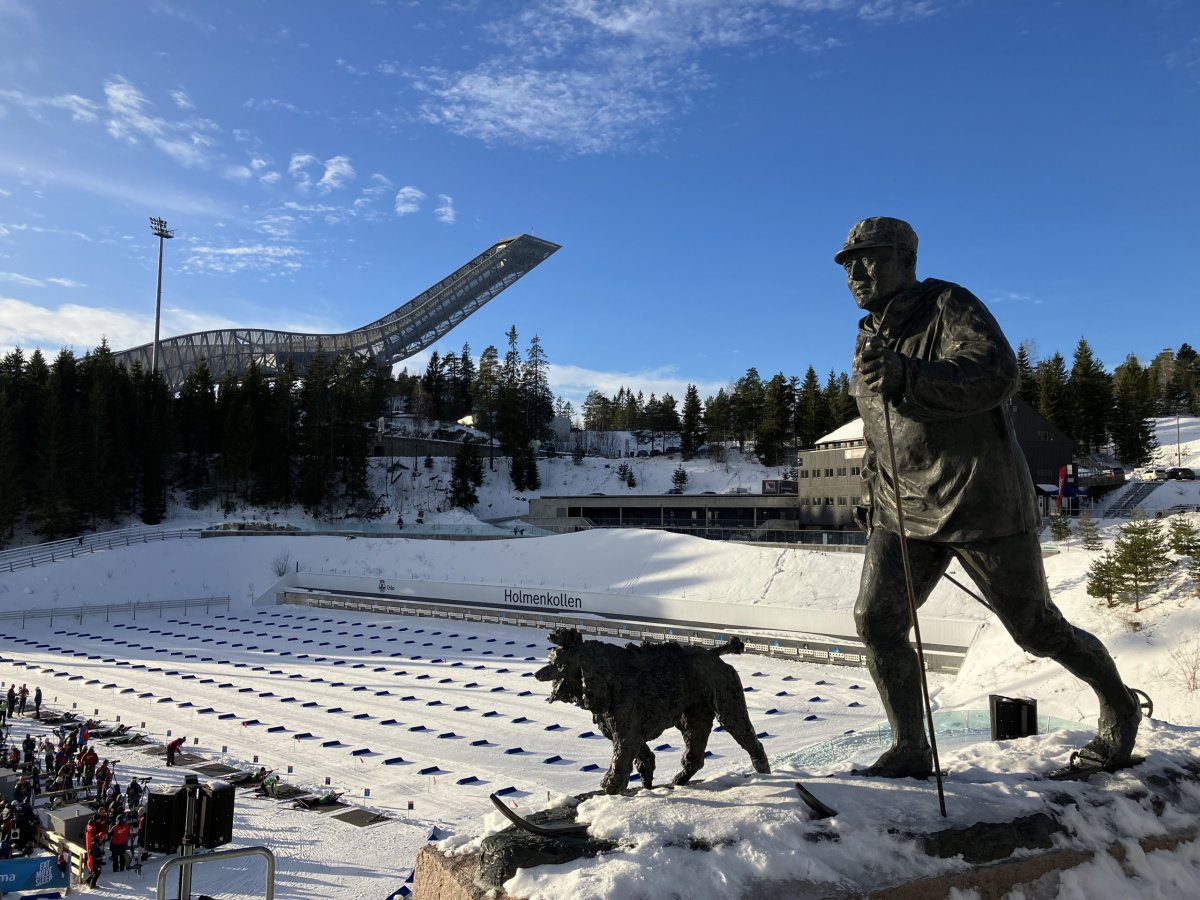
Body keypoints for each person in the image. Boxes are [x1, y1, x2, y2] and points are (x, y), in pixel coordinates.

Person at [837, 216, 1141, 777]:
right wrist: (870, 489)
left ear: (906, 260)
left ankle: (1120, 706)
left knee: (1036, 629)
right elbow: (880, 426)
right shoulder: (868, 336)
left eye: (870, 259)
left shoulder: (948, 304)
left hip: (979, 501)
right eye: (849, 264)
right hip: (903, 508)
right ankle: (910, 747)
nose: (856, 273)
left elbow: (997, 373)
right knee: (876, 621)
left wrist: (909, 372)